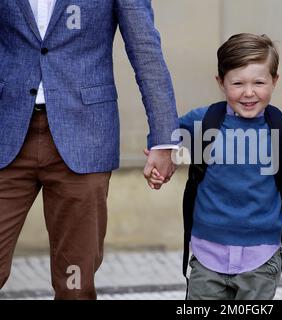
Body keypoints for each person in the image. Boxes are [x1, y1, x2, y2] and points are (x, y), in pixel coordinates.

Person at [150, 33, 282, 300]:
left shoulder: (280, 127)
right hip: (206, 254)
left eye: (259, 82)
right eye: (237, 83)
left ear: (275, 81)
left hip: (261, 258)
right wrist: (158, 156)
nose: (249, 92)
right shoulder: (204, 121)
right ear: (221, 83)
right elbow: (165, 133)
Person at [0, 0, 178, 299]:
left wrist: (164, 138)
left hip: (85, 136)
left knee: (75, 283)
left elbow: (145, 48)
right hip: (7, 130)